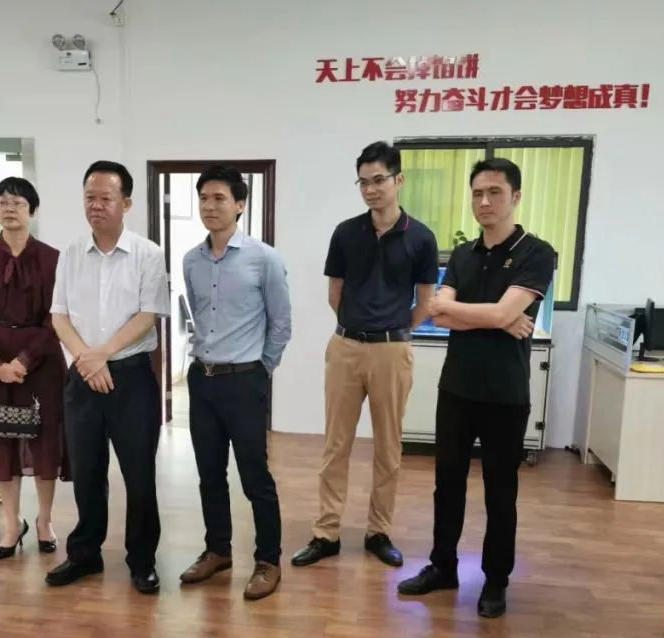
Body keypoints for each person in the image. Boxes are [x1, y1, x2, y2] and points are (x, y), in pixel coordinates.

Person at [397, 158, 555, 619]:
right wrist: (498, 318)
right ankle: (443, 566)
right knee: (446, 484)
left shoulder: (536, 252)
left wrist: (484, 313)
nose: (484, 202)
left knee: (500, 493)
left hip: (505, 394)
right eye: (478, 193)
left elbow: (487, 312)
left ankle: (496, 581)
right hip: (457, 389)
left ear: (516, 197)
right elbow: (437, 312)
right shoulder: (463, 255)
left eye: (495, 192)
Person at [292, 141, 438, 569]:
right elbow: (334, 294)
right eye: (363, 182)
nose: (370, 190)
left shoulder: (421, 238)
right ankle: (326, 532)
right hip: (346, 347)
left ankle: (379, 531)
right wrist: (357, 329)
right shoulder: (345, 233)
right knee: (335, 444)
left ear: (398, 180)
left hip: (392, 351)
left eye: (378, 180)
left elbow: (425, 302)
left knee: (388, 447)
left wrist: (394, 332)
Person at [45, 161, 169, 595]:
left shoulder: (148, 254)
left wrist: (101, 355)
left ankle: (142, 560)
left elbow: (148, 315)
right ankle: (85, 554)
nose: (95, 206)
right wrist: (88, 361)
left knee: (139, 474)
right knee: (86, 471)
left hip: (131, 379)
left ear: (126, 204)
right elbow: (59, 315)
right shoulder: (71, 254)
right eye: (89, 197)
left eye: (105, 198)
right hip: (83, 377)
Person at [178, 165, 292, 600]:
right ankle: (218, 550)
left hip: (244, 380)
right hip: (202, 380)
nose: (210, 206)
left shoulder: (264, 258)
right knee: (209, 473)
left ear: (240, 204)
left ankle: (268, 560)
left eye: (219, 198)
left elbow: (280, 323)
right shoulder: (191, 260)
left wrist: (261, 370)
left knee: (254, 476)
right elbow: (198, 317)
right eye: (204, 198)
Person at [0, 177, 67, 559]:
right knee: (0, 440)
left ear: (32, 210)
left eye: (18, 203)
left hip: (42, 360)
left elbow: (57, 316)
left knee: (46, 443)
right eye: (2, 202)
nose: (9, 209)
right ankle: (11, 523)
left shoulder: (53, 258)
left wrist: (24, 360)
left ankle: (45, 521)